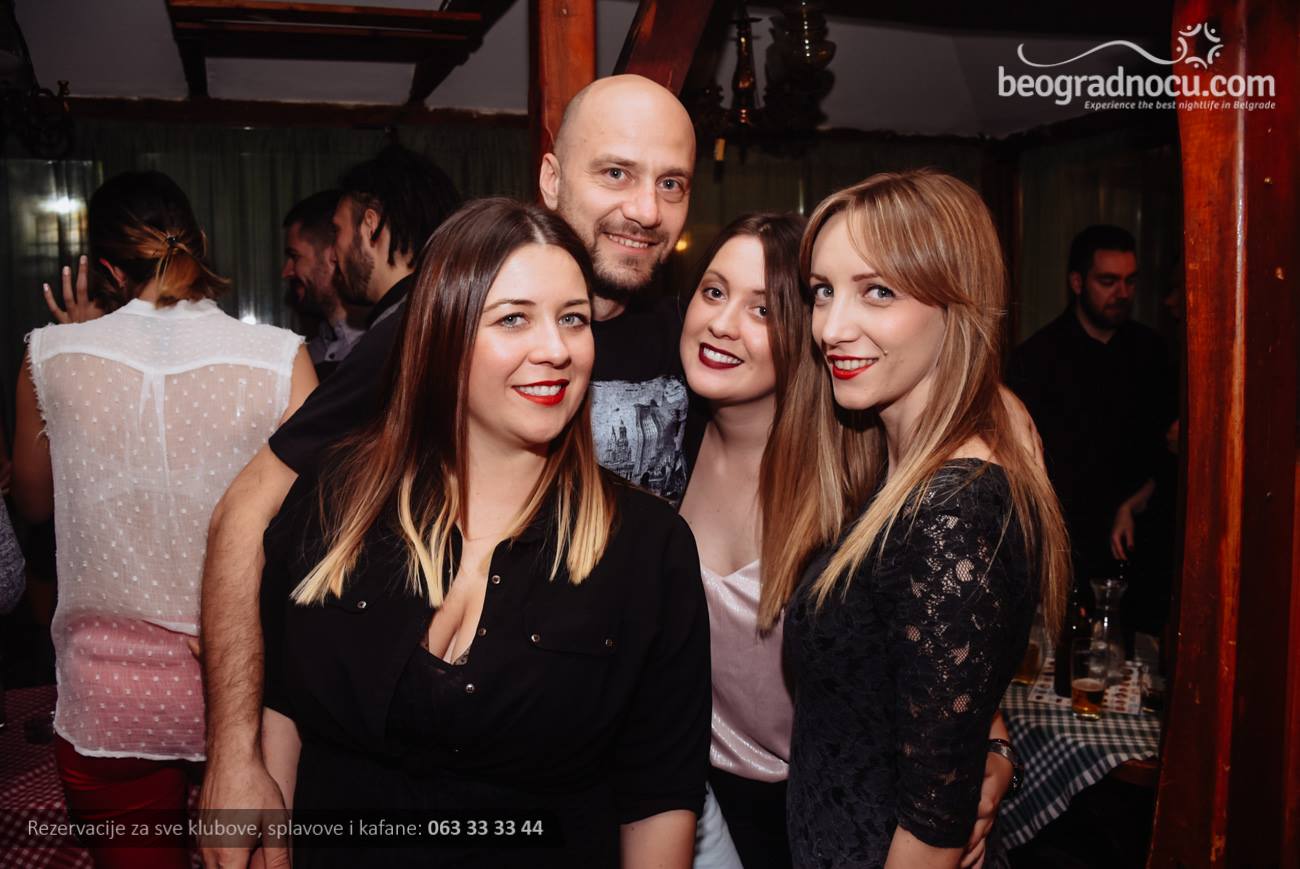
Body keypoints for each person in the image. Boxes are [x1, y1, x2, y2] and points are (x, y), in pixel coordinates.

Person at [259, 198, 709, 868]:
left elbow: (659, 799)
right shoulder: (338, 497)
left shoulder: (648, 547)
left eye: (573, 319)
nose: (555, 349)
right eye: (514, 318)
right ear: (443, 334)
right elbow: (283, 708)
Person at [759, 170, 1070, 868]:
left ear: (958, 302)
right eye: (823, 291)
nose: (831, 328)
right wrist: (993, 745)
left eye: (878, 291)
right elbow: (927, 686)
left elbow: (931, 837)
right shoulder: (896, 467)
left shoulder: (954, 512)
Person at [10, 170, 314, 869]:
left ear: (109, 269)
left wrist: (77, 357)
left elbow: (33, 505)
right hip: (246, 687)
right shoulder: (282, 359)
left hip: (107, 696)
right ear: (197, 242)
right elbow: (312, 533)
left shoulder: (48, 358)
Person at [197, 145, 460, 868]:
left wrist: (234, 752)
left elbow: (246, 510)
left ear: (372, 224)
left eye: (339, 232)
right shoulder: (417, 322)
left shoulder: (408, 330)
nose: (335, 253)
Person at [539, 74, 697, 502]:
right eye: (616, 173)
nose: (647, 212)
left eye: (670, 184)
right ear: (553, 181)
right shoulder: (466, 323)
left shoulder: (696, 338)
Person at [1006, 225, 1175, 587]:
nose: (1122, 293)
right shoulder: (1036, 360)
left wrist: (1135, 501)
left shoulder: (1153, 351)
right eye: (1108, 281)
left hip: (1143, 542)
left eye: (1130, 281)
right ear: (1077, 282)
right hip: (1068, 549)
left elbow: (1169, 448)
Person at [281, 189, 368, 380]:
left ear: (334, 255)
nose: (286, 272)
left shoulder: (377, 348)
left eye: (295, 257)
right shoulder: (310, 354)